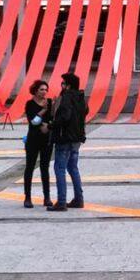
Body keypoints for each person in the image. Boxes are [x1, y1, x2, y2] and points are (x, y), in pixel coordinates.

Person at [50, 71, 88, 211]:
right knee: (73, 168)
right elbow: (85, 113)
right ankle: (79, 199)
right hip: (77, 138)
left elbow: (64, 117)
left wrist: (51, 125)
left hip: (65, 138)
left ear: (68, 85)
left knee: (59, 168)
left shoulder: (66, 97)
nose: (62, 86)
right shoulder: (81, 97)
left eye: (63, 83)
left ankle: (61, 201)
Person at [22, 78, 55, 209]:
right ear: (35, 91)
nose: (44, 92)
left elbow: (54, 119)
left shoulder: (50, 102)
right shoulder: (30, 104)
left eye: (46, 90)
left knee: (44, 168)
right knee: (29, 167)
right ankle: (27, 197)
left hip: (46, 140)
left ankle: (47, 196)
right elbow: (33, 121)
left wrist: (49, 125)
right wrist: (43, 111)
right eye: (41, 89)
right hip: (33, 139)